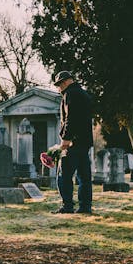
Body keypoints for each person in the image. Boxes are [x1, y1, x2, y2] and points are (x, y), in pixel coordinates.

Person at [52, 70, 93, 214]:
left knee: (64, 176)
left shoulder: (70, 94)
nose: (59, 88)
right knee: (84, 177)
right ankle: (85, 207)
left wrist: (65, 139)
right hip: (84, 142)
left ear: (65, 82)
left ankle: (67, 206)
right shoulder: (84, 94)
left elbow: (71, 119)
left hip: (72, 142)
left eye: (59, 85)